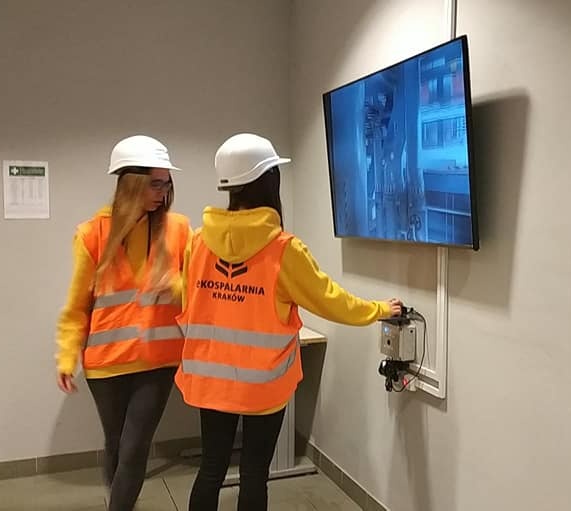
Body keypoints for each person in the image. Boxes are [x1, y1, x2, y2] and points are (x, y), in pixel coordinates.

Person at [176, 133, 403, 511]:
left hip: (210, 380)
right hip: (262, 385)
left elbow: (190, 303)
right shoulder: (283, 249)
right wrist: (378, 309)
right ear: (270, 181)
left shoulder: (197, 243)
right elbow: (331, 301)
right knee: (253, 474)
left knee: (211, 469)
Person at [54, 135, 192, 511]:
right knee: (116, 444)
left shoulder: (179, 229)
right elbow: (77, 305)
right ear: (131, 183)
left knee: (134, 447)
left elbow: (198, 290)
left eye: (167, 184)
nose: (163, 193)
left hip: (158, 361)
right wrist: (66, 355)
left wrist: (174, 285)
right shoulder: (92, 234)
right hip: (106, 364)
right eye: (156, 184)